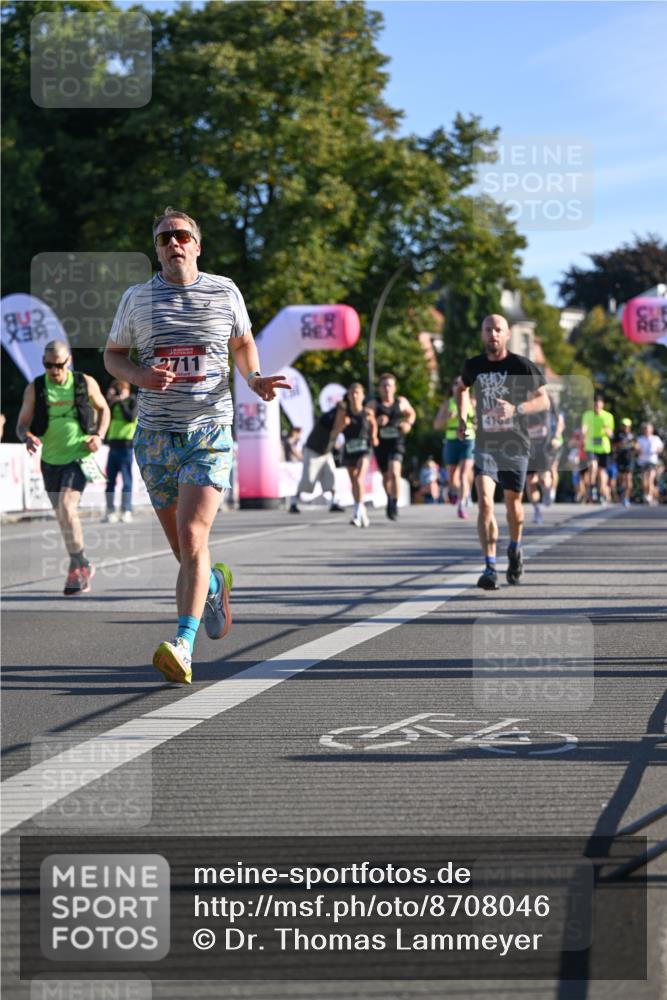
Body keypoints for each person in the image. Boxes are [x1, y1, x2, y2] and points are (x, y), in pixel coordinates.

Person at [104, 207, 290, 684]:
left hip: (209, 429)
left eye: (182, 235)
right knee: (182, 547)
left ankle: (183, 645)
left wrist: (253, 378)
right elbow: (113, 357)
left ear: (198, 245)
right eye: (165, 238)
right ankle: (214, 586)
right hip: (155, 436)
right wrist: (141, 375)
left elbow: (243, 344)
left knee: (191, 536)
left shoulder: (224, 291)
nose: (174, 243)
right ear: (157, 248)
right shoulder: (137, 299)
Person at [456, 314, 549, 590]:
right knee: (485, 501)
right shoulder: (474, 366)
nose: (493, 334)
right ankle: (489, 566)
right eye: (488, 330)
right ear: (482, 334)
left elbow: (544, 400)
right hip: (487, 444)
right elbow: (461, 389)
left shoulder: (521, 365)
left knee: (513, 505)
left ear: (507, 334)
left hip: (516, 444)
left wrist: (516, 409)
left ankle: (515, 547)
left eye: (498, 330)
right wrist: (463, 417)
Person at [16, 340, 110, 595]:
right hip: (50, 461)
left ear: (68, 361)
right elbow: (22, 423)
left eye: (58, 365)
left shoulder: (84, 382)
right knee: (62, 516)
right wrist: (27, 437)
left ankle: (79, 563)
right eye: (48, 365)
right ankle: (79, 561)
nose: (54, 371)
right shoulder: (35, 387)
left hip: (78, 456)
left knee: (68, 507)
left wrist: (99, 435)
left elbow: (104, 409)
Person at [330, 382, 378, 527]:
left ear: (363, 395)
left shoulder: (367, 412)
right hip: (350, 449)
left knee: (359, 478)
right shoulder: (344, 412)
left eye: (357, 392)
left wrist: (375, 437)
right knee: (354, 481)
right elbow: (334, 433)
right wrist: (343, 425)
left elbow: (374, 425)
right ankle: (361, 508)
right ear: (349, 396)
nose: (355, 395)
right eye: (352, 393)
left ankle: (357, 512)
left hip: (364, 448)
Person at [369, 372, 416, 520]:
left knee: (395, 471)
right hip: (381, 444)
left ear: (394, 387)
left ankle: (394, 502)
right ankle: (389, 497)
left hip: (397, 442)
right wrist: (376, 420)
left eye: (389, 385)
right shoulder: (374, 404)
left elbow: (411, 414)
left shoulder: (401, 401)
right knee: (385, 476)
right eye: (383, 386)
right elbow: (366, 418)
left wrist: (408, 424)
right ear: (379, 388)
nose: (386, 388)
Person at [288, 407, 345, 514]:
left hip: (326, 452)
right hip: (313, 451)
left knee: (331, 476)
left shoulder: (339, 418)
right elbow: (334, 431)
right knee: (308, 479)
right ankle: (293, 502)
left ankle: (333, 503)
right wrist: (342, 425)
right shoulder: (328, 418)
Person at [433, 378, 475, 519]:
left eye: (460, 383)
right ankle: (460, 492)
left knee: (464, 473)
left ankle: (461, 505)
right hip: (451, 439)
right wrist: (446, 417)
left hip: (468, 438)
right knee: (452, 477)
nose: (457, 386)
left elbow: (480, 422)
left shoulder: (473, 402)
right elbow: (436, 425)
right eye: (455, 383)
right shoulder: (447, 404)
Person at [103, 378, 138, 523]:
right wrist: (110, 400)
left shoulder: (132, 401)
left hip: (126, 446)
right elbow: (105, 416)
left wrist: (122, 401)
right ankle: (110, 510)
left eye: (120, 390)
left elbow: (130, 417)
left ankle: (126, 509)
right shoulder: (114, 404)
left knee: (126, 480)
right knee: (110, 480)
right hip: (113, 445)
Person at [581, 394, 614, 504]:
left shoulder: (608, 416)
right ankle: (592, 487)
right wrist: (583, 433)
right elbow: (584, 428)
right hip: (591, 446)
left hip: (604, 447)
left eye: (599, 406)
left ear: (602, 405)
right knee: (593, 466)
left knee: (602, 471)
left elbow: (611, 434)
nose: (597, 408)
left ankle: (602, 491)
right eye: (595, 406)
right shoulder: (587, 415)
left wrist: (606, 428)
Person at [636, 422, 664, 505]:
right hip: (642, 462)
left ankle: (649, 496)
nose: (647, 431)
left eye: (648, 429)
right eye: (645, 429)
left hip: (652, 461)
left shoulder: (656, 438)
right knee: (644, 480)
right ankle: (646, 494)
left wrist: (657, 450)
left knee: (650, 479)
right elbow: (636, 447)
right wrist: (637, 449)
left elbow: (660, 448)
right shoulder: (640, 439)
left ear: (651, 430)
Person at [614, 418, 636, 507]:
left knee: (628, 480)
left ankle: (627, 498)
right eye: (623, 425)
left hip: (629, 459)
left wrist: (632, 444)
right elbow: (614, 446)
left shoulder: (633, 435)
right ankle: (622, 495)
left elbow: (637, 446)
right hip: (620, 459)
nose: (625, 427)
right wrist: (620, 444)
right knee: (622, 480)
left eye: (626, 426)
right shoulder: (618, 435)